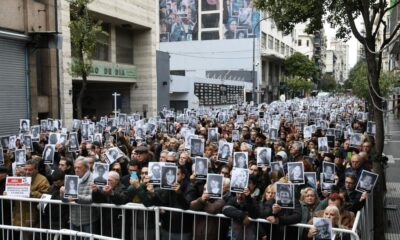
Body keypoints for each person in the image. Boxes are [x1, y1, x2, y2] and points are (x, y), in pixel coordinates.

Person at [60, 158, 99, 235]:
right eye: (75, 167)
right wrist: (62, 193)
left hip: (89, 219)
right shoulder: (71, 178)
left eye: (79, 167)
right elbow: (65, 200)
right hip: (73, 219)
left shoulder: (94, 179)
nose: (76, 170)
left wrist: (77, 198)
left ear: (87, 168)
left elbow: (92, 198)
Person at [12, 160, 50, 239]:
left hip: (32, 216)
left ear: (36, 170)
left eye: (30, 170)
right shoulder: (20, 177)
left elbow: (46, 196)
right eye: (25, 169)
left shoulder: (42, 179)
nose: (27, 172)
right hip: (18, 215)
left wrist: (31, 194)